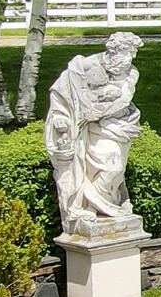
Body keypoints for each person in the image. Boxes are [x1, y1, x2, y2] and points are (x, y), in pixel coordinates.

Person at [43, 31, 145, 236]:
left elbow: (123, 101)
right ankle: (91, 205)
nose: (130, 59)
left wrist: (106, 104)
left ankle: (102, 206)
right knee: (111, 167)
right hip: (88, 128)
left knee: (117, 169)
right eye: (127, 52)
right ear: (113, 50)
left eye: (133, 53)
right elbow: (61, 94)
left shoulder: (131, 72)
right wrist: (62, 116)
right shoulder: (83, 68)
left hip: (117, 126)